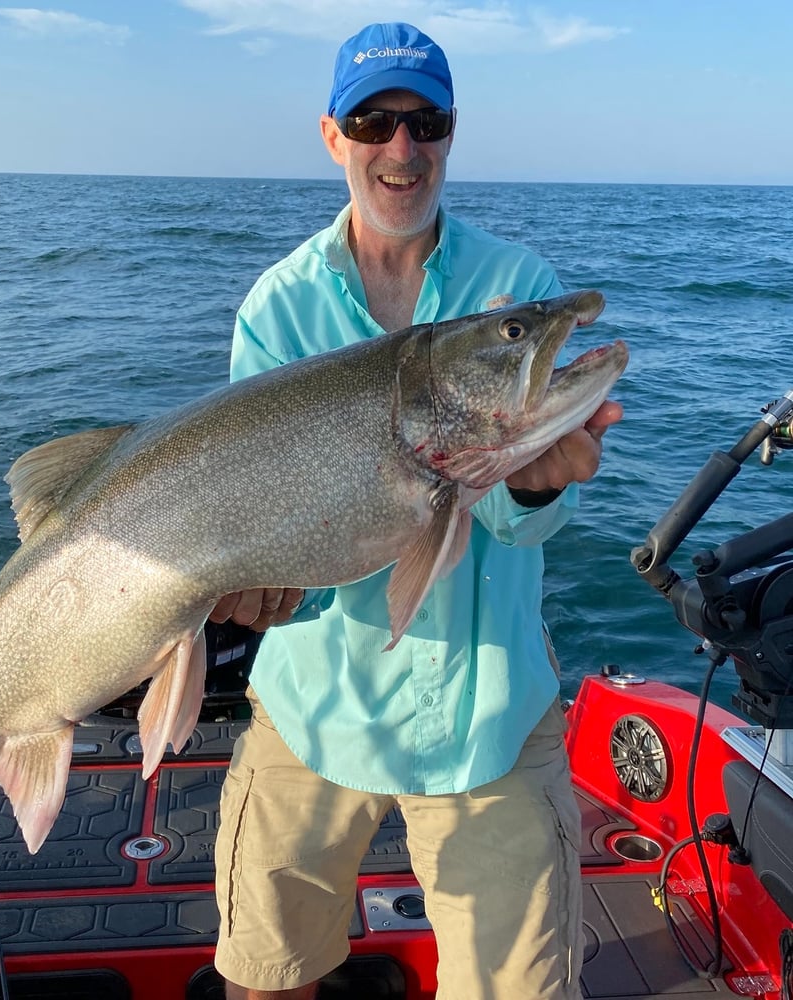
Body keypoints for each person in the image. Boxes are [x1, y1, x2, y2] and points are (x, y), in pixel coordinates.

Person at [209, 21, 622, 1000]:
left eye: (424, 122)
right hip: (315, 705)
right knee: (263, 976)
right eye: (373, 121)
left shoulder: (516, 286)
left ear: (449, 133)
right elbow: (275, 542)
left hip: (486, 711)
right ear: (331, 136)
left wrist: (531, 482)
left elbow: (529, 521)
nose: (401, 149)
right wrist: (259, 590)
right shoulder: (277, 307)